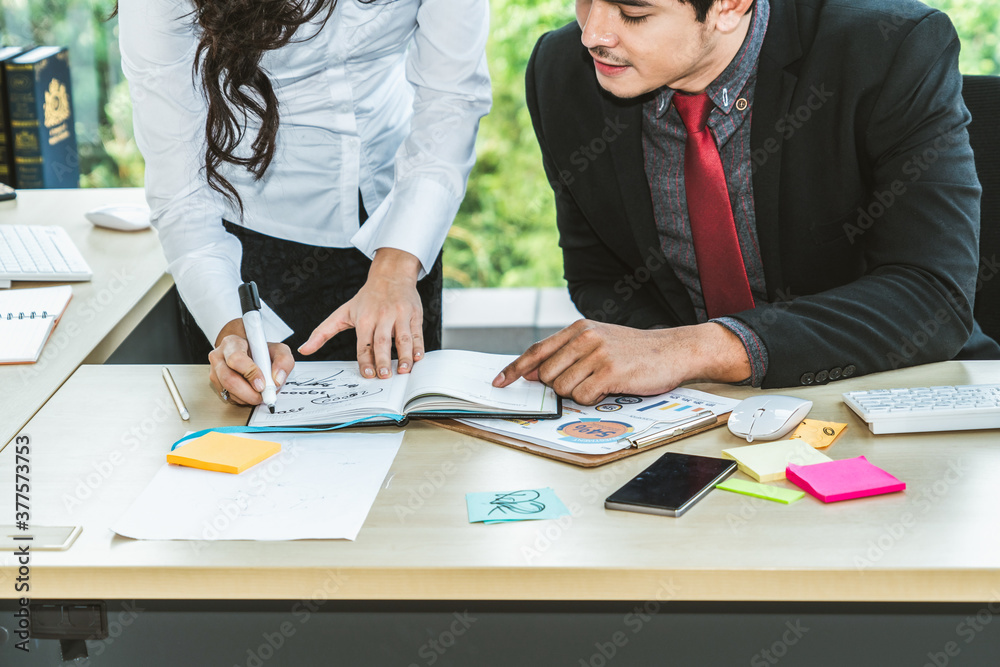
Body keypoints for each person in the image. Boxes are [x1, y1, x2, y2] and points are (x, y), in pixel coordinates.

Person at [494, 0, 1000, 404]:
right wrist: (678, 377)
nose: (592, 35)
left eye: (634, 13)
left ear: (730, 6)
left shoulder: (889, 46)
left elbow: (933, 294)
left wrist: (699, 350)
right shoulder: (561, 71)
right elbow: (599, 274)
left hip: (895, 396)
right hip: (698, 411)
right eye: (585, 0)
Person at [118, 0, 491, 405]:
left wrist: (397, 267)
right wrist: (231, 328)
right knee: (258, 438)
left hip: (402, 224)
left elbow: (453, 99)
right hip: (248, 249)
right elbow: (181, 191)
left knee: (409, 436)